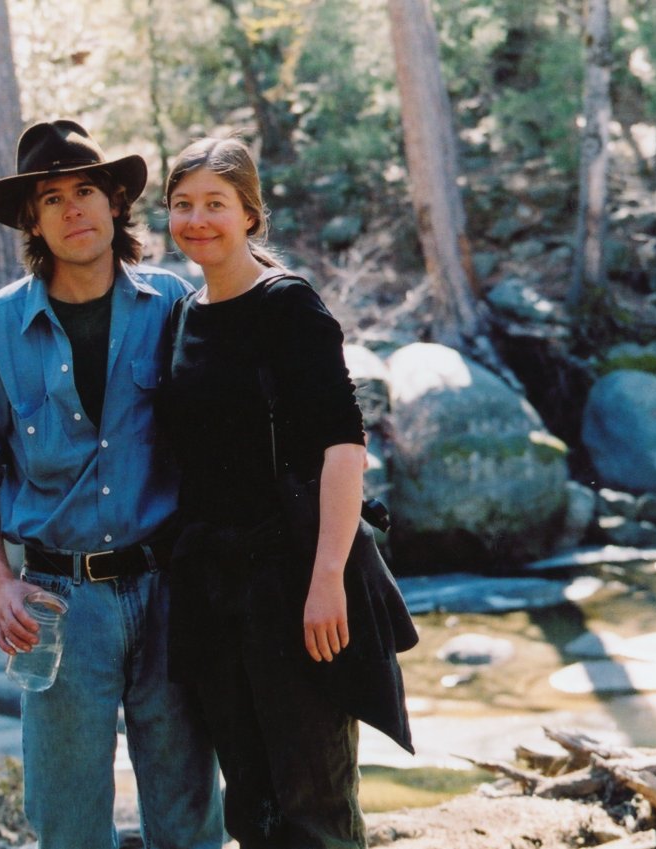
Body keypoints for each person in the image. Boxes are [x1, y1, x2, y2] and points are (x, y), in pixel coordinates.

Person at [0, 120, 224, 849]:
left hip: (170, 589)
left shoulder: (174, 303)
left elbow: (228, 430)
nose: (73, 210)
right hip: (55, 602)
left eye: (86, 190)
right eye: (52, 198)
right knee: (68, 824)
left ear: (116, 202)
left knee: (189, 814)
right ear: (32, 221)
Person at [157, 136, 416, 849]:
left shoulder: (288, 306)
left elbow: (344, 445)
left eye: (215, 203)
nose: (197, 220)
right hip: (214, 588)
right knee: (251, 803)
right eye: (182, 204)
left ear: (250, 213)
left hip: (292, 582)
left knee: (311, 801)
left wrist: (327, 578)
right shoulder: (184, 314)